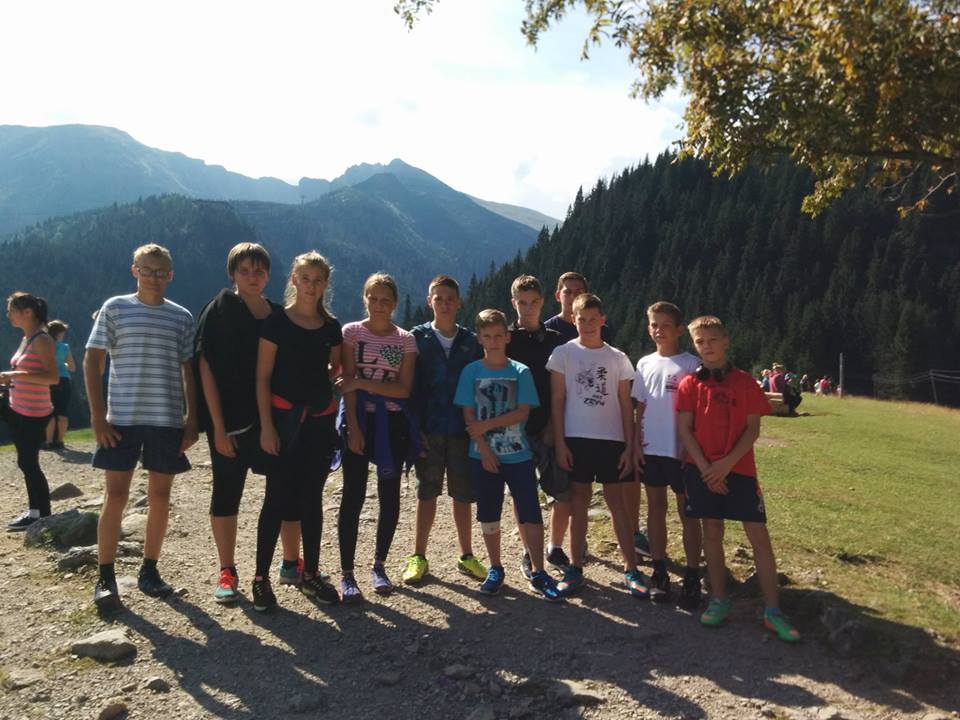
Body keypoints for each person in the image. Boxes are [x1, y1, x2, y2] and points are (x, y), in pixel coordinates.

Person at [85, 244, 198, 610]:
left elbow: (189, 371)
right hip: (122, 419)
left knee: (160, 497)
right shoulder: (115, 308)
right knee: (115, 496)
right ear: (134, 270)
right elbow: (92, 360)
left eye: (160, 272)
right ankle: (105, 576)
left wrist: (192, 419)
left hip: (167, 418)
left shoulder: (181, 317)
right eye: (146, 270)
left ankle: (149, 570)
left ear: (170, 275)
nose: (153, 277)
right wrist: (97, 416)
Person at [676, 316, 800, 642]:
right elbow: (685, 430)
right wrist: (707, 468)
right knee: (711, 531)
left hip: (740, 470)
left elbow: (753, 429)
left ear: (725, 341)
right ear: (694, 345)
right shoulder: (690, 384)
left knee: (758, 535)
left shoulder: (745, 382)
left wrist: (725, 465)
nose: (707, 346)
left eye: (712, 340)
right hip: (701, 470)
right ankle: (719, 598)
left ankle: (773, 610)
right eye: (700, 342)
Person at [195, 242, 304, 604]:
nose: (252, 277)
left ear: (269, 275)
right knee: (227, 492)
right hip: (230, 422)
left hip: (274, 420)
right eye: (245, 270)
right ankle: (227, 570)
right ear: (233, 274)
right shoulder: (219, 310)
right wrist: (217, 427)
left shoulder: (278, 315)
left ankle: (290, 562)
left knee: (286, 489)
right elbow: (205, 368)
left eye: (259, 270)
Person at [251, 251, 342, 611]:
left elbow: (336, 368)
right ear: (293, 280)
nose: (311, 286)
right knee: (276, 499)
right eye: (305, 278)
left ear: (325, 284)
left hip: (318, 423)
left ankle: (311, 573)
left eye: (318, 280)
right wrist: (266, 428)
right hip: (283, 423)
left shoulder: (331, 327)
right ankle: (260, 578)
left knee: (311, 500)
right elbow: (262, 378)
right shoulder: (276, 323)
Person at [453, 309, 561, 601]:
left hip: (519, 454)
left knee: (530, 512)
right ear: (479, 339)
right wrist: (484, 449)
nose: (493, 341)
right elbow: (468, 415)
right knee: (489, 514)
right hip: (482, 456)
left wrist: (486, 426)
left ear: (507, 337)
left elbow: (523, 412)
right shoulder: (471, 372)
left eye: (498, 335)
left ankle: (539, 572)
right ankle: (495, 568)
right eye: (487, 336)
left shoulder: (520, 371)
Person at [547, 293, 646, 598]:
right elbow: (558, 400)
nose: (588, 324)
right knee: (579, 504)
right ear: (573, 319)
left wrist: (629, 446)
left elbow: (625, 404)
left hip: (612, 439)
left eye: (593, 319)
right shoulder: (563, 353)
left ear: (603, 320)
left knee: (618, 505)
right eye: (582, 319)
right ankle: (575, 568)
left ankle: (631, 569)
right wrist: (560, 443)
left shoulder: (618, 358)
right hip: (576, 439)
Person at [338, 273, 419, 602]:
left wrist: (362, 383)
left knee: (389, 496)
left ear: (395, 303)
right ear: (365, 298)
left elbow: (404, 389)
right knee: (353, 495)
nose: (379, 305)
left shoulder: (406, 340)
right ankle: (347, 573)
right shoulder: (351, 332)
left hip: (392, 425)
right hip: (359, 420)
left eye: (386, 300)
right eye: (373, 298)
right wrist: (353, 428)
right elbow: (347, 383)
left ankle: (379, 566)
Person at [402, 275, 486, 585]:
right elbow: (409, 386)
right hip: (429, 429)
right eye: (438, 298)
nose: (444, 304)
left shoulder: (471, 342)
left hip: (463, 430)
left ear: (459, 302)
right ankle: (418, 556)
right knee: (427, 492)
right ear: (429, 301)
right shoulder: (417, 338)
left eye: (450, 298)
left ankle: (466, 555)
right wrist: (414, 427)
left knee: (463, 495)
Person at [630, 301, 703, 608]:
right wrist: (636, 443)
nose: (659, 330)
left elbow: (699, 411)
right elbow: (640, 407)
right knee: (655, 508)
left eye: (665, 325)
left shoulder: (692, 365)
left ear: (679, 330)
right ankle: (659, 570)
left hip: (681, 451)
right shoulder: (645, 363)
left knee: (688, 512)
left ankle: (692, 575)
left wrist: (694, 449)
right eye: (653, 325)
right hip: (652, 449)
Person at [505, 275, 571, 578]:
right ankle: (529, 550)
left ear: (542, 302)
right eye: (522, 302)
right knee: (523, 493)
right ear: (513, 303)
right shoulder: (506, 339)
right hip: (515, 428)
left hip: (550, 425)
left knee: (562, 491)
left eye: (533, 302)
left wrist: (555, 426)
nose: (528, 308)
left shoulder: (557, 341)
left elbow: (564, 387)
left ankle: (555, 546)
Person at [2, 293, 58, 530]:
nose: (8, 314)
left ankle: (41, 514)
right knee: (26, 461)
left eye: (11, 310)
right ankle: (36, 513)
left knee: (28, 462)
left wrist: (15, 375)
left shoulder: (41, 339)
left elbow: (52, 377)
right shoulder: (27, 338)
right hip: (19, 405)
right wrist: (10, 380)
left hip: (33, 411)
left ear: (28, 312)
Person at [543, 271, 615, 344]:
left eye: (578, 292)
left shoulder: (599, 329)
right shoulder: (546, 330)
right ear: (558, 296)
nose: (573, 296)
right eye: (567, 292)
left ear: (585, 296)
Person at [44, 319, 75, 451]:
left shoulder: (44, 345)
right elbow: (72, 367)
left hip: (49, 379)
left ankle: (49, 441)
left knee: (49, 411)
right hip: (64, 380)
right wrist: (64, 365)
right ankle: (60, 441)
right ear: (59, 333)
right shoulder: (64, 347)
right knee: (62, 411)